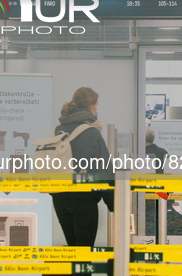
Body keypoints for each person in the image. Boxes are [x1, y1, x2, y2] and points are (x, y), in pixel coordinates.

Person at [50, 87, 114, 247]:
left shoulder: (58, 130)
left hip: (60, 198)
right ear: (91, 106)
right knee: (84, 253)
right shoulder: (91, 132)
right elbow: (104, 169)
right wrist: (114, 204)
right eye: (96, 105)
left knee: (74, 250)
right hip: (83, 199)